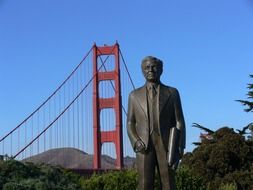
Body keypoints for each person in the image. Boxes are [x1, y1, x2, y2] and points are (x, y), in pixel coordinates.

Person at [127, 56, 186, 190]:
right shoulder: (134, 96)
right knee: (144, 185)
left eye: (154, 67)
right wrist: (136, 141)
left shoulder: (172, 93)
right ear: (142, 70)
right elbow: (130, 122)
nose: (150, 70)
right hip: (144, 146)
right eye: (147, 67)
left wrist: (180, 147)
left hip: (167, 146)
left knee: (169, 184)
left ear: (161, 70)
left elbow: (179, 121)